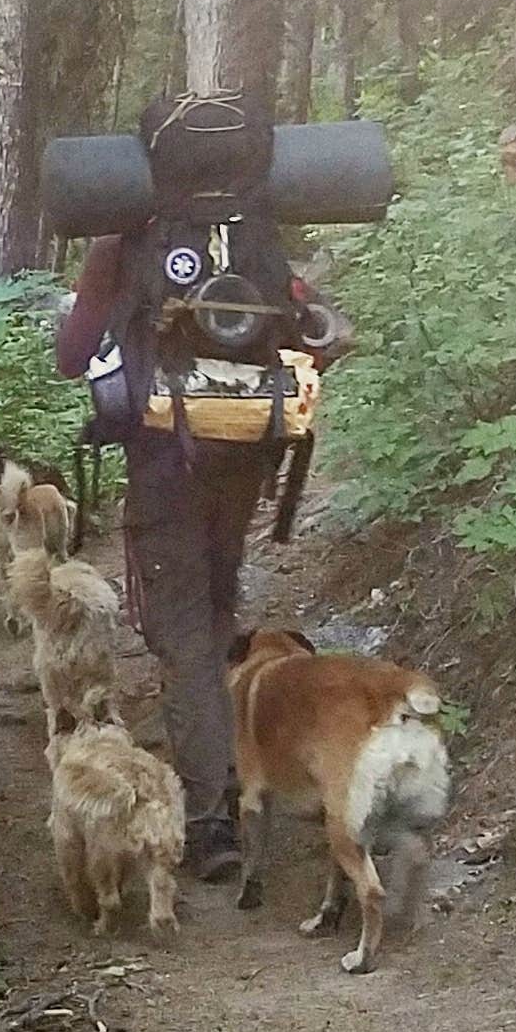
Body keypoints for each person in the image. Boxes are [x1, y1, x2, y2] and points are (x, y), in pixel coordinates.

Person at [54, 206, 350, 882]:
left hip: (165, 470)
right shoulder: (247, 234)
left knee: (184, 635)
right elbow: (324, 332)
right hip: (243, 460)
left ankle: (210, 819)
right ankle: (238, 768)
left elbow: (72, 358)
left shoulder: (124, 242)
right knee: (216, 611)